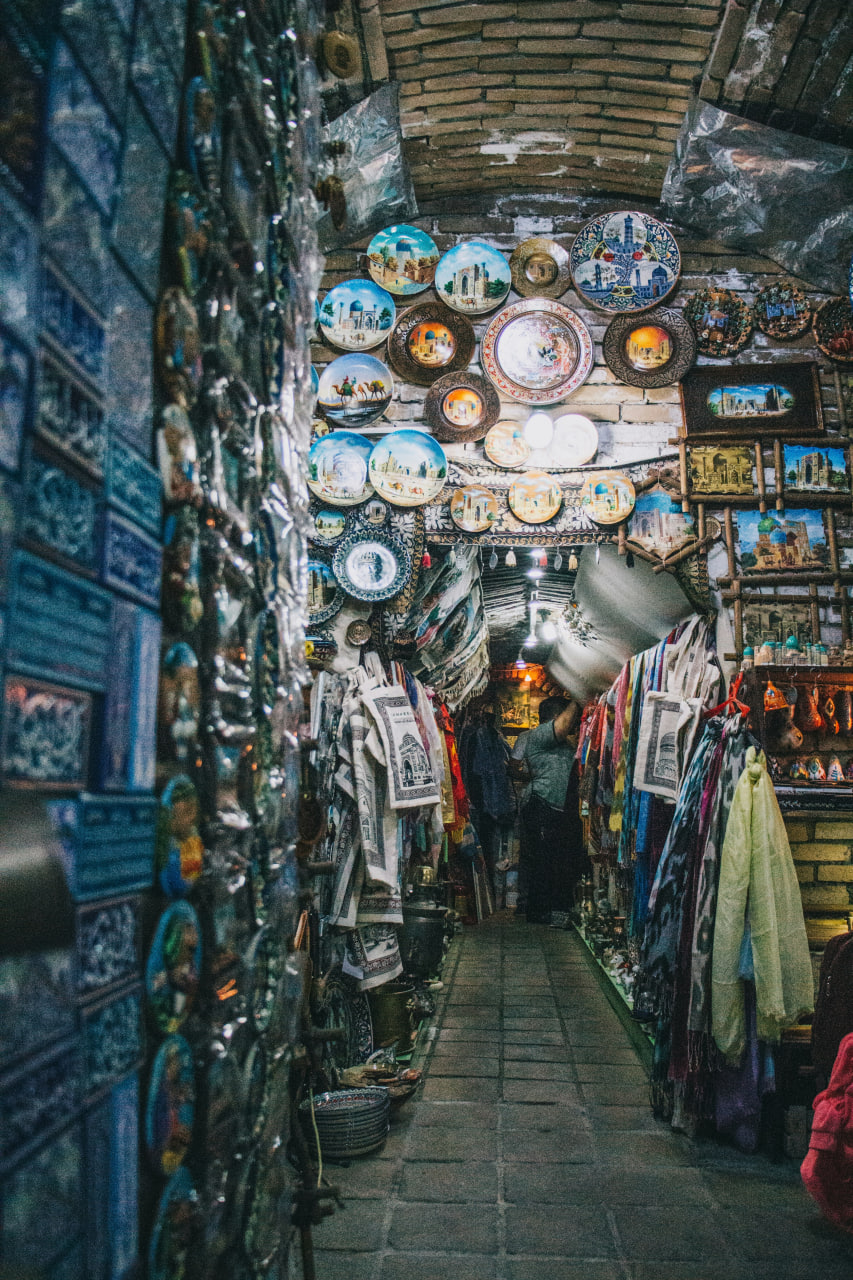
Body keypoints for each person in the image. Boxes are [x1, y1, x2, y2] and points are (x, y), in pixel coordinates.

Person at [512, 695, 585, 924]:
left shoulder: (563, 742)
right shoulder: (540, 734)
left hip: (558, 808)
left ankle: (554, 910)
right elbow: (563, 727)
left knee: (558, 860)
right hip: (542, 804)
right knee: (544, 862)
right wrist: (579, 696)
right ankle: (539, 912)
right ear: (555, 717)